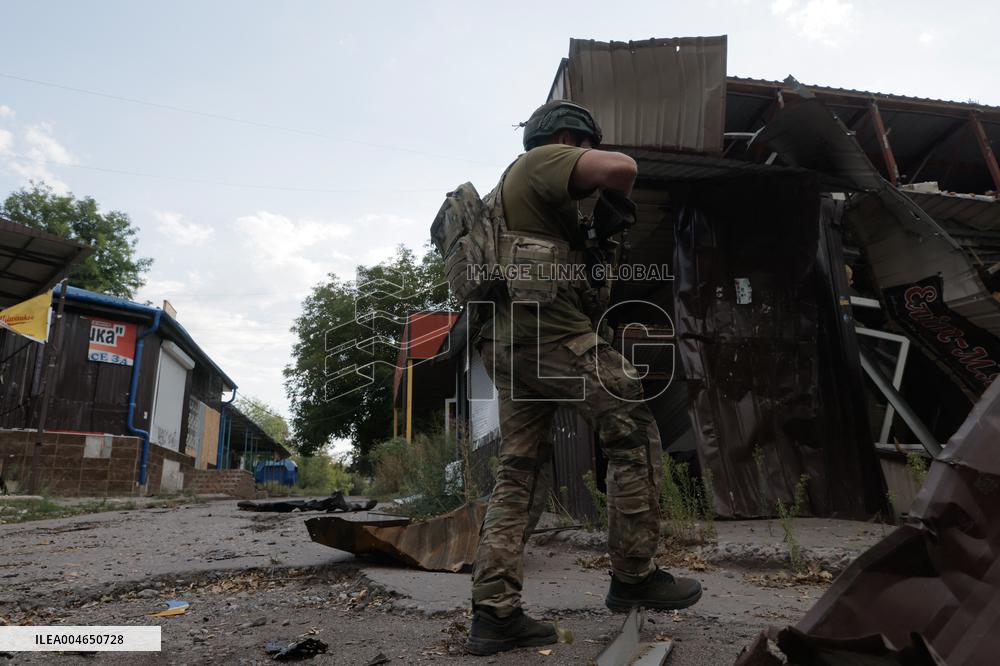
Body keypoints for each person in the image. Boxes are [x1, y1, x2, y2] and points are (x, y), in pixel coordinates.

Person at [467, 100, 702, 656]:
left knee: (519, 472)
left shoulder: (511, 200)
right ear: (571, 137)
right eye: (586, 145)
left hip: (512, 345)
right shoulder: (544, 160)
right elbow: (622, 169)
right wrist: (598, 169)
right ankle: (634, 575)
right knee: (633, 430)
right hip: (551, 338)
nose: (588, 155)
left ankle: (494, 613)